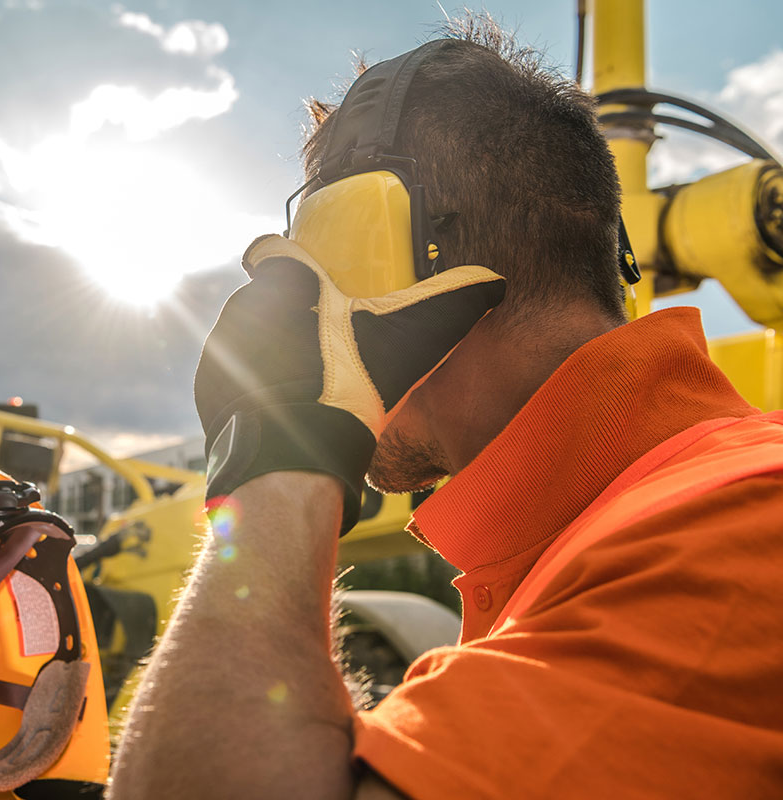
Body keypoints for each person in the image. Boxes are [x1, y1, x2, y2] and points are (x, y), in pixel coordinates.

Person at [107, 15, 783, 800]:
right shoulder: (602, 540)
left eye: (318, 268)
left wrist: (278, 456)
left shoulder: (728, 533)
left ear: (399, 265)